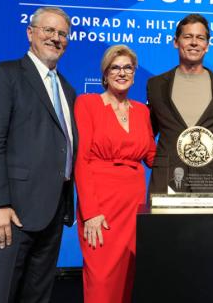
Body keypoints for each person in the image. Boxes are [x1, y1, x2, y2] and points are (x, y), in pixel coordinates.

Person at [0, 6, 76, 302]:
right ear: (30, 33)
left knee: (36, 297)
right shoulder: (4, 76)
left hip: (51, 215)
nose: (56, 38)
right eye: (48, 30)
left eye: (62, 33)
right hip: (9, 214)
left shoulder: (67, 89)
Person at [74, 44, 156, 303]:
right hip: (101, 204)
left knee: (127, 278)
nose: (122, 73)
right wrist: (91, 212)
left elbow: (152, 156)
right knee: (101, 278)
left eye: (128, 68)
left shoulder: (142, 111)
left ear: (134, 73)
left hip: (133, 204)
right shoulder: (87, 103)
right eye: (115, 68)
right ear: (105, 73)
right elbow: (81, 160)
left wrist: (187, 152)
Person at [147, 13, 213, 194]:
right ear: (176, 42)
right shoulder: (155, 85)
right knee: (163, 224)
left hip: (211, 177)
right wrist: (157, 159)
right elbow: (148, 132)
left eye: (200, 38)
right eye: (187, 37)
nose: (194, 42)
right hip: (167, 176)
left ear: (207, 46)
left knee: (210, 224)